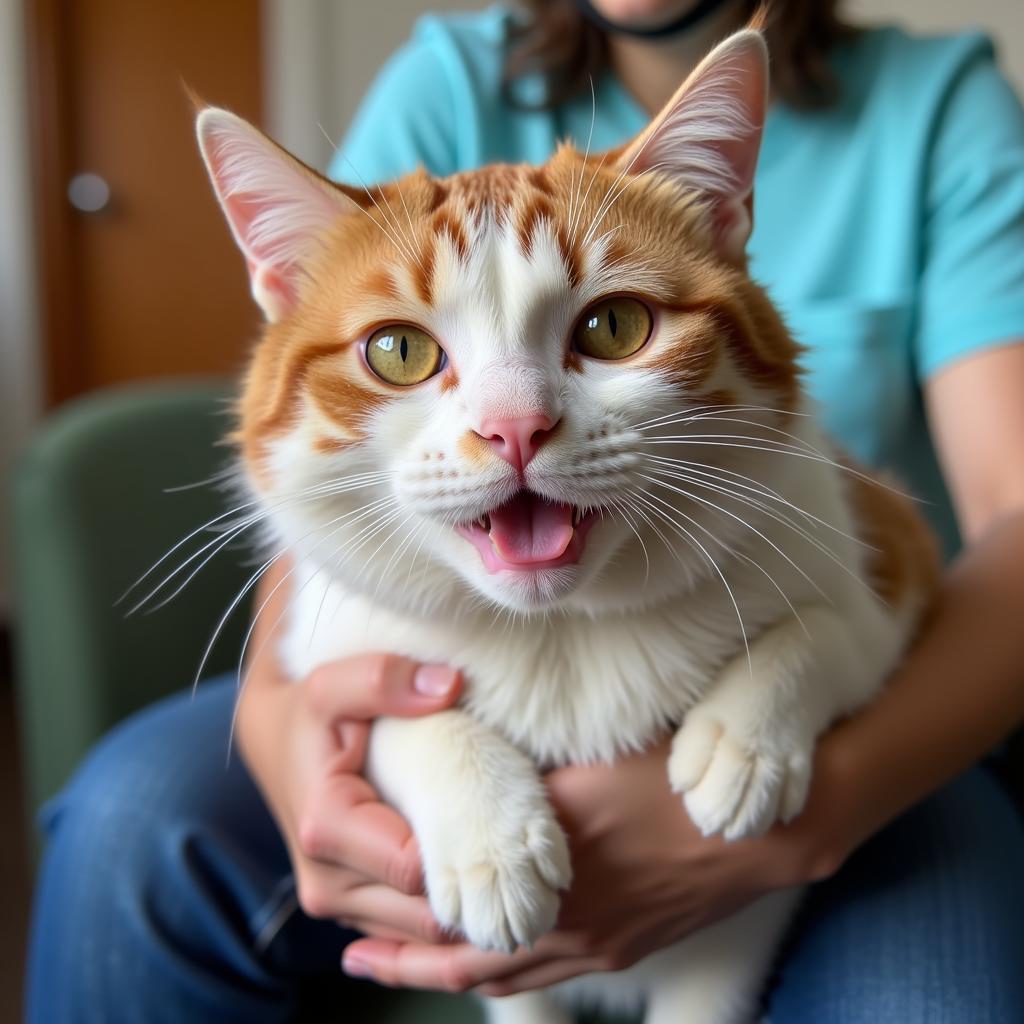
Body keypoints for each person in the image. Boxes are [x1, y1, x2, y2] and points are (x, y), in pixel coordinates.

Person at [25, 1, 1024, 1021]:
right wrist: (290, 724)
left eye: (613, 323)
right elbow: (321, 483)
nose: (515, 429)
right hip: (431, 630)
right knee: (130, 815)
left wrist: (820, 801)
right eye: (406, 351)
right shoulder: (445, 78)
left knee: (934, 994)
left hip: (844, 691)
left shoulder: (939, 104)